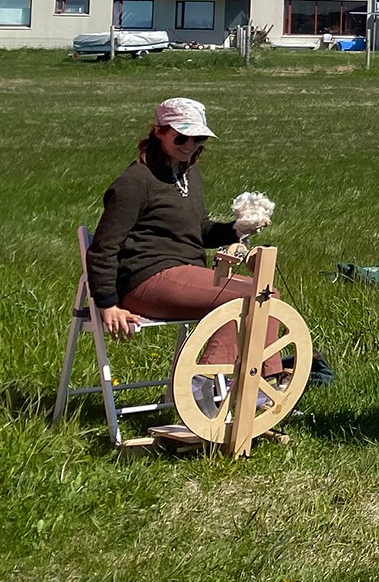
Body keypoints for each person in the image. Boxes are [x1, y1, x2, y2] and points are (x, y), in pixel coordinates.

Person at [86, 98, 288, 397]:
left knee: (265, 293)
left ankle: (258, 389)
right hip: (144, 280)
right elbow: (104, 247)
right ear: (159, 133)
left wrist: (235, 229)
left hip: (183, 273)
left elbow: (199, 231)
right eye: (181, 137)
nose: (190, 144)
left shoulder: (188, 176)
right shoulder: (135, 181)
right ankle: (204, 386)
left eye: (198, 138)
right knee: (254, 295)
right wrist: (107, 305)